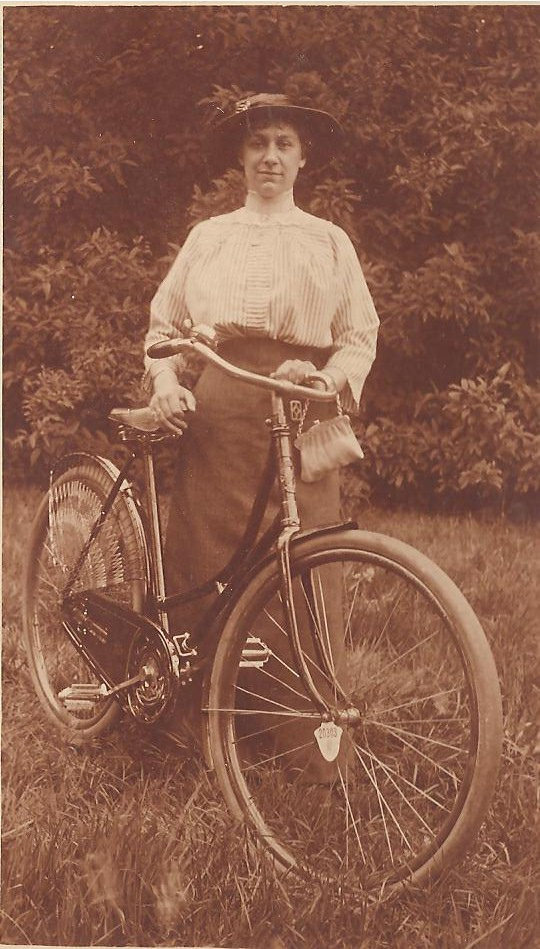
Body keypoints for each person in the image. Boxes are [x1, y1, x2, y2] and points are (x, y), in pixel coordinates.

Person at [143, 93, 379, 777]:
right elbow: (165, 331)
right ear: (240, 158)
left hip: (300, 409)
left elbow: (359, 338)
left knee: (303, 561)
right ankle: (195, 718)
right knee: (205, 561)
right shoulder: (210, 238)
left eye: (283, 143)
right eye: (257, 145)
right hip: (220, 411)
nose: (269, 156)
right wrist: (169, 385)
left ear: (304, 157)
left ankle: (301, 730)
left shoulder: (330, 241)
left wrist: (329, 381)